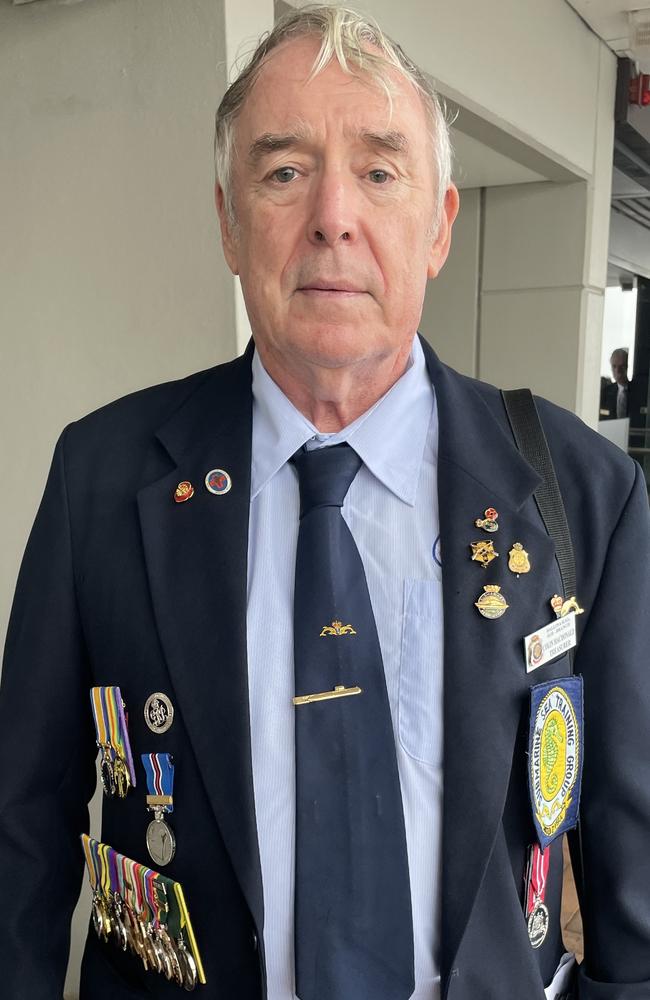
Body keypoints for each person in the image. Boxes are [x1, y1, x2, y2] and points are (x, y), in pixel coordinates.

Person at [1, 6, 649, 1000]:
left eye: (379, 172)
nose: (331, 216)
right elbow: (25, 822)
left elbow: (625, 846)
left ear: (437, 224)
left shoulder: (580, 489)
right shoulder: (102, 477)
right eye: (283, 171)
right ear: (228, 220)